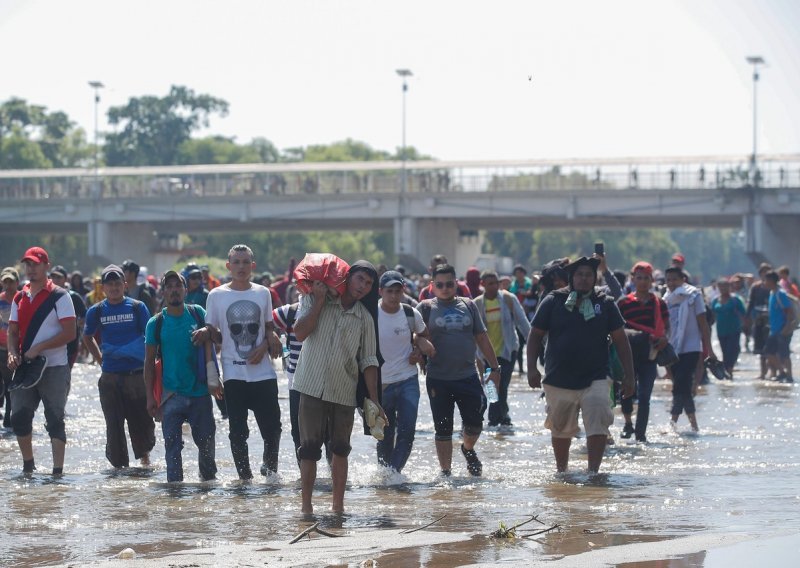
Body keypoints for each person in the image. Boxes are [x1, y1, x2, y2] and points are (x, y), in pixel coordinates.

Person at [292, 261, 385, 514]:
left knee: (340, 450)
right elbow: (300, 333)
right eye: (360, 279)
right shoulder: (314, 299)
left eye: (368, 283)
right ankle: (306, 509)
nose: (363, 287)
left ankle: (338, 508)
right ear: (347, 277)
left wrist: (375, 400)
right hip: (310, 386)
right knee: (308, 450)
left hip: (344, 391)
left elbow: (369, 360)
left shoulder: (365, 318)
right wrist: (320, 301)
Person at [527, 256, 634, 473]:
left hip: (596, 376)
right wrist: (531, 369)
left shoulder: (605, 303)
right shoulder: (553, 301)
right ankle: (562, 471)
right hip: (558, 377)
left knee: (598, 421)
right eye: (579, 274)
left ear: (594, 279)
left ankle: (593, 472)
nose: (584, 279)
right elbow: (535, 335)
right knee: (560, 428)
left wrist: (630, 376)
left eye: (588, 275)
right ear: (571, 278)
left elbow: (621, 340)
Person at [205, 244, 283, 479]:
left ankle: (270, 474)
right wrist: (212, 376)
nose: (241, 266)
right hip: (233, 375)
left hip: (263, 373)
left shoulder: (263, 293)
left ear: (253, 266)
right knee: (238, 433)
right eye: (236, 262)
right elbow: (211, 333)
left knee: (273, 430)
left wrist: (267, 342)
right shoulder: (216, 295)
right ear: (229, 266)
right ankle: (245, 480)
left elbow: (268, 326)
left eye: (245, 262)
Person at [417, 264, 500, 477]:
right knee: (443, 428)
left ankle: (468, 448)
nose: (445, 288)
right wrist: (419, 343)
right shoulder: (425, 307)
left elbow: (481, 337)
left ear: (457, 283)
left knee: (475, 423)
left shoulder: (469, 305)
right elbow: (410, 334)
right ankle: (446, 473)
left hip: (467, 376)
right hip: (438, 378)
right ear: (433, 286)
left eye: (450, 284)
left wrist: (494, 368)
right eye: (440, 284)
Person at [7, 247, 76, 475]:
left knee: (55, 419)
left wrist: (40, 347)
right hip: (26, 367)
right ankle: (28, 466)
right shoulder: (19, 296)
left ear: (47, 266)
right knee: (18, 417)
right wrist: (11, 352)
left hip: (55, 367)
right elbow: (13, 332)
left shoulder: (60, 296)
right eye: (28, 264)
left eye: (36, 264)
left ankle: (57, 472)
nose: (31, 268)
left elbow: (70, 333)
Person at [144, 270, 218, 482]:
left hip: (200, 393)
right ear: (163, 292)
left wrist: (207, 331)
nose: (174, 290)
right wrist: (150, 397)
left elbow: (219, 337)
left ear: (186, 290)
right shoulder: (155, 323)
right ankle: (175, 496)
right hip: (171, 396)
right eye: (169, 286)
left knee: (206, 449)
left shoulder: (198, 313)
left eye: (178, 286)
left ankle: (208, 489)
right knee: (172, 451)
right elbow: (148, 363)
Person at [83, 265, 155, 468]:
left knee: (141, 421)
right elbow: (87, 337)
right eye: (109, 284)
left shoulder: (137, 307)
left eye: (117, 284)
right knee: (114, 425)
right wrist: (99, 360)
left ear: (124, 285)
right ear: (103, 287)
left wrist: (153, 367)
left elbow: (151, 337)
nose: (114, 288)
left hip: (137, 375)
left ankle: (144, 460)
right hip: (110, 377)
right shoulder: (96, 311)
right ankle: (119, 468)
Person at [376, 270, 434, 473]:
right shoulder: (370, 315)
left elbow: (423, 334)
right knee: (384, 434)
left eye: (397, 291)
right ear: (380, 291)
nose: (393, 296)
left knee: (407, 432)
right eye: (389, 291)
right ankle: (385, 475)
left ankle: (393, 474)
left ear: (403, 291)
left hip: (408, 379)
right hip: (380, 384)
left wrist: (418, 350)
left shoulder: (411, 313)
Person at [617, 262, 670, 443]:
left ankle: (641, 435)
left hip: (649, 355)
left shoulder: (659, 304)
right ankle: (627, 422)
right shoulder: (623, 303)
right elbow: (616, 329)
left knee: (645, 396)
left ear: (651, 280)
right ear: (633, 279)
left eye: (646, 278)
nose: (643, 282)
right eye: (639, 278)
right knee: (626, 392)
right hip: (627, 355)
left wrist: (665, 338)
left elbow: (667, 327)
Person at [663, 266, 718, 431]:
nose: (671, 283)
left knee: (681, 385)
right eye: (668, 280)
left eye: (675, 279)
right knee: (683, 388)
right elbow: (665, 327)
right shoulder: (665, 299)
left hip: (691, 348)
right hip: (672, 348)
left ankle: (673, 424)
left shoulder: (694, 296)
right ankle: (694, 427)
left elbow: (704, 325)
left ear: (682, 280)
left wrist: (710, 350)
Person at [473, 269, 531, 427]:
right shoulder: (477, 303)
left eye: (496, 283)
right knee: (491, 386)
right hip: (486, 354)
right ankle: (498, 418)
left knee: (503, 385)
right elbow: (473, 332)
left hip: (508, 350)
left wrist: (534, 343)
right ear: (482, 284)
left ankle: (499, 417)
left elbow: (522, 323)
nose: (493, 287)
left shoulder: (508, 299)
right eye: (489, 284)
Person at [273, 300, 304, 463]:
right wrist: (272, 334)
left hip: (325, 382)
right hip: (296, 383)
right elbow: (264, 321)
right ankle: (304, 478)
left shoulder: (332, 308)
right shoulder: (290, 311)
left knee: (329, 436)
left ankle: (330, 481)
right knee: (298, 434)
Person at [49, 265, 87, 369]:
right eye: (53, 277)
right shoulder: (44, 297)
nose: (55, 280)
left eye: (59, 277)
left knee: (64, 377)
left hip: (70, 345)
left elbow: (85, 316)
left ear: (65, 279)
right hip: (48, 345)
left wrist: (76, 324)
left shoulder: (74, 297)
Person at [763, 270, 795, 383]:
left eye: (765, 280)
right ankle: (782, 373)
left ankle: (790, 376)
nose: (764, 282)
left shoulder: (780, 294)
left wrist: (786, 329)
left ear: (771, 281)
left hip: (782, 329)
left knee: (784, 354)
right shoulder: (772, 293)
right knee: (769, 352)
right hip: (774, 330)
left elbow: (790, 312)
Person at [711, 278, 746, 379]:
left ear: (729, 287)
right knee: (725, 351)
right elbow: (712, 316)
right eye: (720, 287)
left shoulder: (736, 300)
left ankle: (729, 369)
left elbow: (744, 314)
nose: (723, 289)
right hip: (721, 330)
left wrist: (746, 325)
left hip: (734, 329)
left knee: (734, 350)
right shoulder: (715, 301)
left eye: (725, 287)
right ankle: (727, 371)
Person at [1, 267, 20, 428]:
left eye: (11, 282)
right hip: (0, 348)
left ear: (17, 282)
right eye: (5, 282)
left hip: (15, 349)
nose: (7, 285)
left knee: (10, 386)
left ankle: (9, 417)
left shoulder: (22, 300)